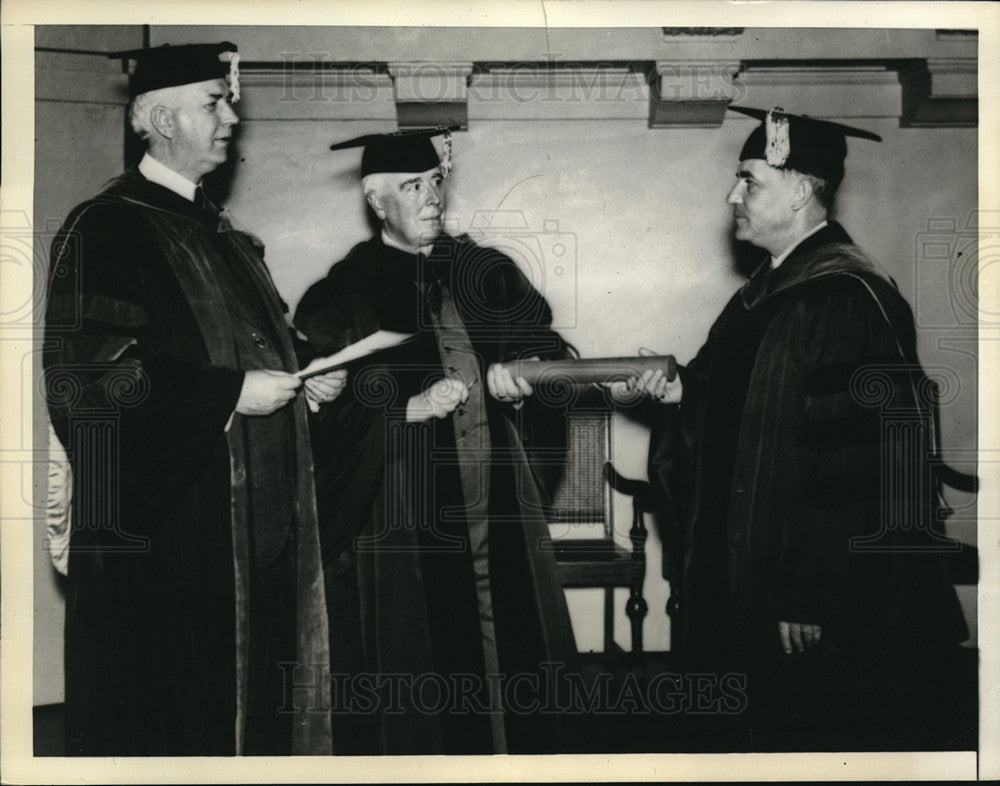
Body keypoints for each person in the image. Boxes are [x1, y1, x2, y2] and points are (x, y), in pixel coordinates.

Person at [616, 106, 968, 747]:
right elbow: (733, 407)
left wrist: (810, 591)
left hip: (807, 589)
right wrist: (678, 392)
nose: (732, 196)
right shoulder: (764, 291)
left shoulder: (846, 295)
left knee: (811, 734)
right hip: (750, 565)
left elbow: (859, 458)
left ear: (803, 189)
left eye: (749, 179)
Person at [43, 42, 346, 756]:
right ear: (159, 120)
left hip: (256, 529)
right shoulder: (107, 228)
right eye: (214, 100)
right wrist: (234, 392)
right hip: (173, 542)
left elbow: (249, 343)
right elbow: (90, 381)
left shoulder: (228, 238)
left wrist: (307, 372)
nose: (231, 117)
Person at [293, 129, 578, 754]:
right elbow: (312, 401)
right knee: (425, 668)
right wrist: (402, 406)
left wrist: (525, 370)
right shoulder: (343, 293)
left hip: (498, 503)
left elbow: (551, 349)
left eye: (436, 182)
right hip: (406, 519)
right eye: (412, 187)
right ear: (376, 201)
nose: (431, 199)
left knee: (509, 647)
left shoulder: (485, 273)